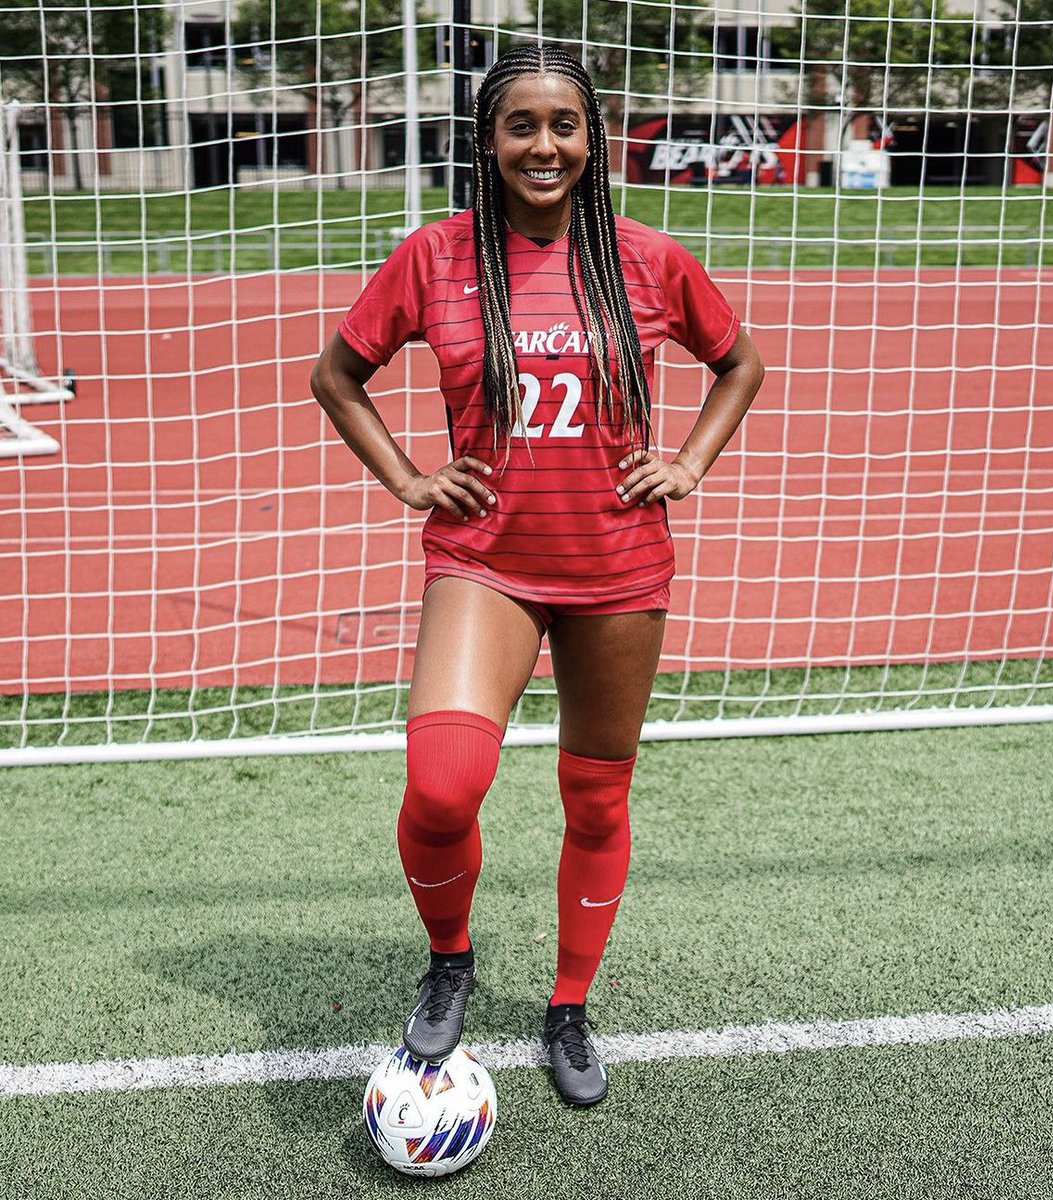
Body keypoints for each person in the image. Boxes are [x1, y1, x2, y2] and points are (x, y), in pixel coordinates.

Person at [310, 43, 764, 1107]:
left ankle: (567, 1006)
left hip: (616, 566)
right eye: (522, 125)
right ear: (487, 142)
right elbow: (337, 375)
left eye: (564, 124)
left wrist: (690, 458)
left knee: (594, 801)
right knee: (441, 786)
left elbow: (739, 361)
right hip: (487, 564)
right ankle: (451, 958)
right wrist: (409, 481)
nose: (544, 144)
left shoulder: (649, 259)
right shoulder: (434, 256)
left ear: (594, 139)